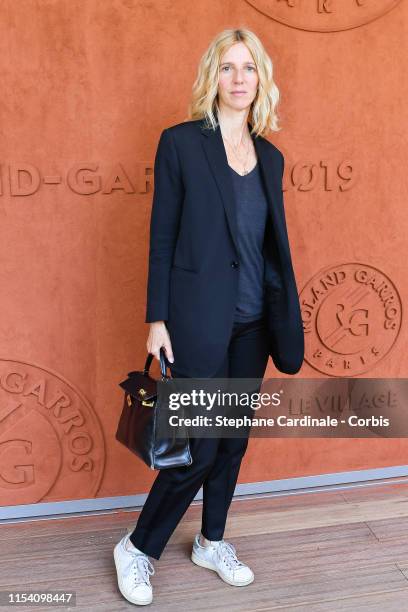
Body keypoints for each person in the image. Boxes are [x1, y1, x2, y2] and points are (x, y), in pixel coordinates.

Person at [113, 27, 304, 606]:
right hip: (195, 321)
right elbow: (162, 237)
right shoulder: (180, 144)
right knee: (199, 444)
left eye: (248, 68)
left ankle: (212, 540)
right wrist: (157, 318)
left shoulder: (270, 156)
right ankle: (139, 548)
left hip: (253, 324)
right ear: (211, 77)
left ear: (261, 79)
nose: (239, 79)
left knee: (233, 441)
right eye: (228, 68)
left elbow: (268, 244)